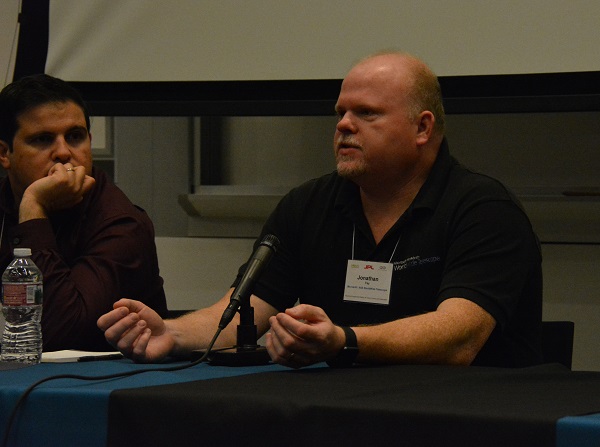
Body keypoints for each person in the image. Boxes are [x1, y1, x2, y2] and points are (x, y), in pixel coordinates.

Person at [98, 52, 543, 368]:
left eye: (366, 113)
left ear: (422, 127)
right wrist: (171, 334)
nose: (343, 125)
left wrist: (343, 341)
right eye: (340, 112)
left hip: (467, 419)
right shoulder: (309, 204)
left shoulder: (484, 209)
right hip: (339, 409)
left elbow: (459, 338)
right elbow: (248, 310)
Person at [0, 74, 168, 352]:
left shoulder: (123, 224)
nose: (64, 153)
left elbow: (58, 333)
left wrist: (33, 208)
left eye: (75, 137)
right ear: (5, 153)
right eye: (43, 140)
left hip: (99, 387)